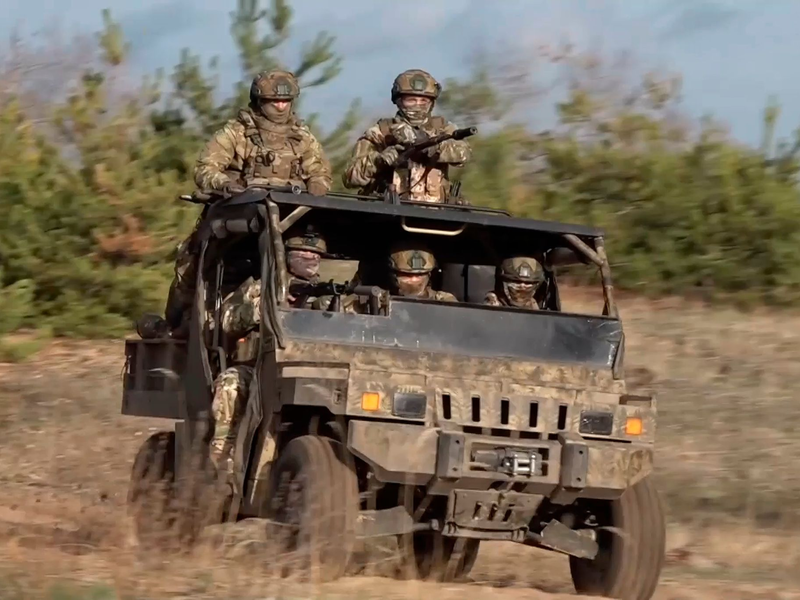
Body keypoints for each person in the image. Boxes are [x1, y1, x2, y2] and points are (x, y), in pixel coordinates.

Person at [164, 69, 332, 333]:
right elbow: (205, 168)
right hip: (237, 216)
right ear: (259, 100)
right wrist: (225, 184)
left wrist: (318, 184)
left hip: (288, 219)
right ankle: (175, 327)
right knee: (190, 264)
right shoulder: (236, 132)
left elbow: (320, 173)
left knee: (305, 260)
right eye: (273, 101)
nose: (280, 106)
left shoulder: (302, 137)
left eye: (285, 101)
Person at [342, 69, 471, 203]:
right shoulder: (381, 132)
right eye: (411, 100)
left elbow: (464, 153)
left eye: (423, 101)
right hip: (388, 210)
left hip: (437, 211)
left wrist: (431, 146)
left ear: (431, 103)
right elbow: (349, 178)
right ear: (399, 100)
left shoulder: (443, 128)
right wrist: (377, 161)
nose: (417, 106)